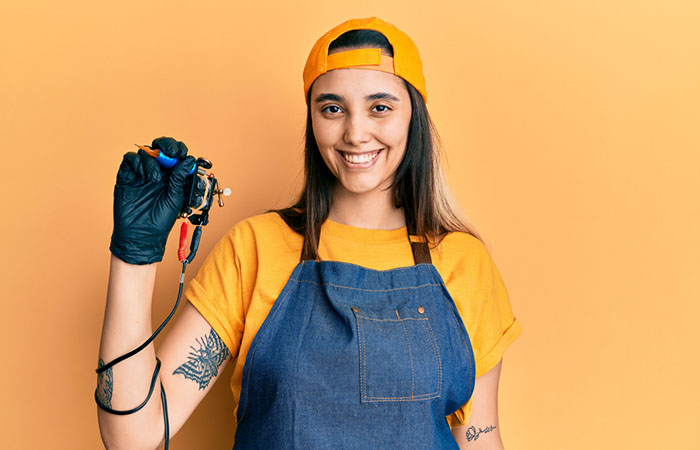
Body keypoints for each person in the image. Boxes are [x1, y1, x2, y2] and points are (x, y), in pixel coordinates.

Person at [97, 17, 522, 450]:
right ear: (313, 120)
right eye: (332, 108)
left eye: (380, 107)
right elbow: (132, 436)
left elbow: (479, 439)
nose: (356, 133)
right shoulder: (255, 249)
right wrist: (135, 256)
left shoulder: (465, 264)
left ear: (414, 115)